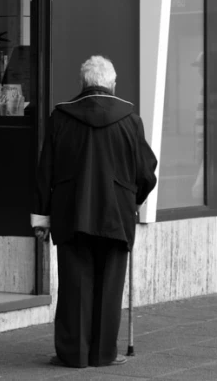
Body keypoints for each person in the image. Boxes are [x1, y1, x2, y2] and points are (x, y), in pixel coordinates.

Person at [31, 55, 157, 368]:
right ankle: (103, 354)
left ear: (84, 83)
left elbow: (44, 171)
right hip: (116, 215)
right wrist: (133, 200)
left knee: (75, 286)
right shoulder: (130, 120)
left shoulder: (61, 118)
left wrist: (41, 218)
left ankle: (74, 354)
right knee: (110, 288)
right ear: (111, 84)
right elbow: (147, 172)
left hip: (71, 214)